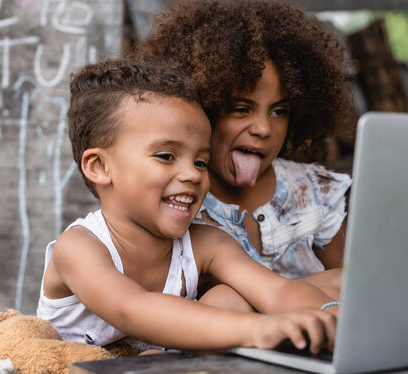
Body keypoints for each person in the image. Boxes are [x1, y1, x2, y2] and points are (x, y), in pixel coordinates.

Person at [36, 58, 338, 354]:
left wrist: (327, 314)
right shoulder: (79, 248)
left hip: (167, 371)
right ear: (100, 166)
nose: (193, 174)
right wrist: (258, 329)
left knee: (228, 299)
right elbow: (132, 309)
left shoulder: (207, 243)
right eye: (166, 156)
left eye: (201, 161)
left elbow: (276, 290)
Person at [136, 0, 357, 302]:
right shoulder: (177, 199)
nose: (263, 128)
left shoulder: (315, 192)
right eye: (241, 109)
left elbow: (358, 291)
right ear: (202, 108)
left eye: (279, 111)